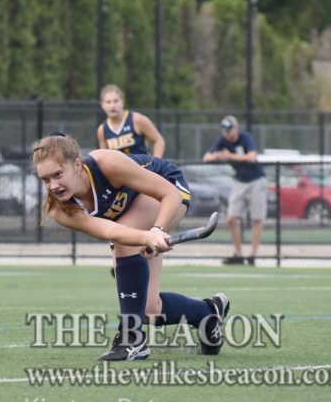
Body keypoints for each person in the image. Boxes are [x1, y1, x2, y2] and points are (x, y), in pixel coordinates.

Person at [32, 133, 230, 361]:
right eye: (45, 180)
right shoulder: (60, 209)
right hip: (131, 213)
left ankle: (131, 338)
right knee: (149, 310)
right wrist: (145, 237)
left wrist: (157, 230)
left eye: (58, 174)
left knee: (124, 245)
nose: (53, 186)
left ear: (77, 164)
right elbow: (109, 231)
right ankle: (209, 314)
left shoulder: (107, 163)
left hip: (167, 187)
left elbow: (169, 194)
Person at [203, 115, 266, 266]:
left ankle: (252, 255)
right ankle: (238, 254)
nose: (227, 134)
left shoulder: (246, 138)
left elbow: (252, 157)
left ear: (236, 129)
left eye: (229, 130)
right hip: (239, 182)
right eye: (224, 131)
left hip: (256, 180)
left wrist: (229, 156)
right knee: (231, 218)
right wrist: (217, 155)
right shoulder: (222, 141)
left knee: (256, 219)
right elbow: (206, 157)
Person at [96, 84, 165, 157]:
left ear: (122, 101)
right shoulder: (102, 130)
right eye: (108, 102)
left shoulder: (137, 120)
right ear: (102, 105)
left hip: (141, 166)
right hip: (119, 168)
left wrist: (156, 163)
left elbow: (159, 140)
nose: (112, 105)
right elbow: (104, 157)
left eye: (116, 101)